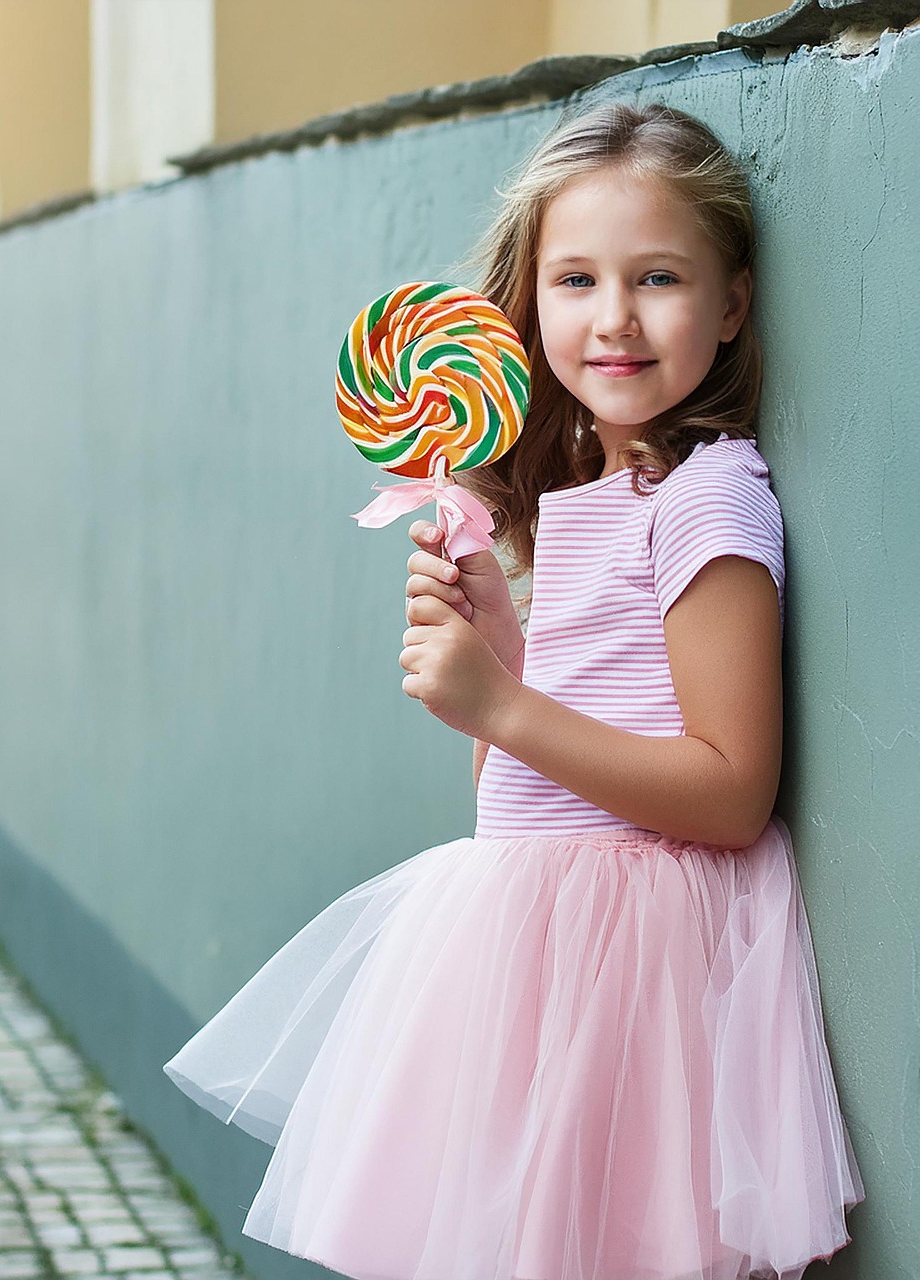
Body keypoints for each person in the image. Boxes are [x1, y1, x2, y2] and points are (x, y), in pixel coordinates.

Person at [165, 101, 864, 1280]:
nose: (614, 319)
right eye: (575, 280)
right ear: (526, 305)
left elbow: (731, 788)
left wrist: (500, 705)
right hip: (534, 948)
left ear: (732, 302)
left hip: (638, 971)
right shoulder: (586, 497)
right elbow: (530, 784)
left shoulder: (705, 501)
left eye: (657, 278)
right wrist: (504, 647)